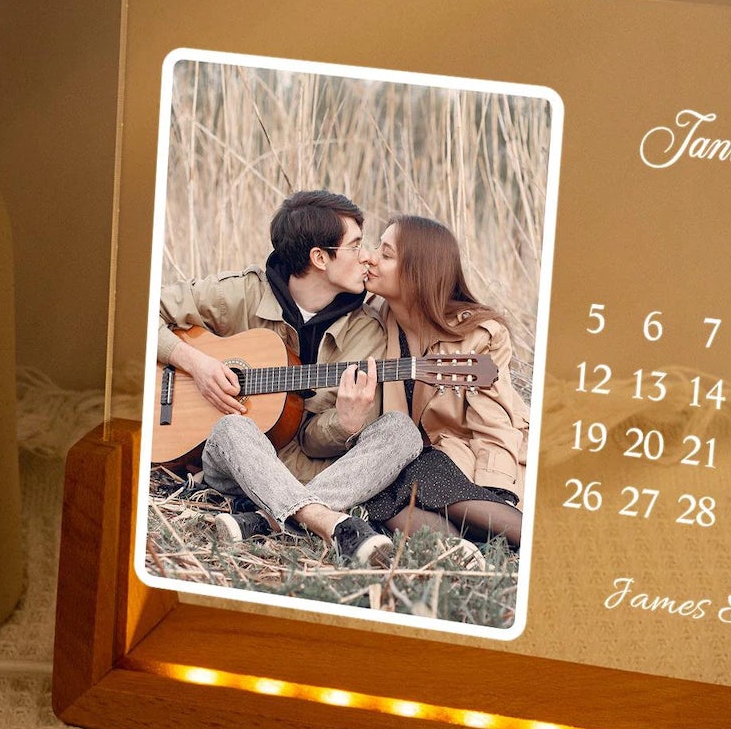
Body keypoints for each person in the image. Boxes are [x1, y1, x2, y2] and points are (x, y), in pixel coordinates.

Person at [156, 190, 422, 568]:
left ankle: (264, 520)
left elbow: (312, 439)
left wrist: (345, 425)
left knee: (402, 431)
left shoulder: (366, 332)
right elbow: (140, 310)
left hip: (310, 471)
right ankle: (329, 523)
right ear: (319, 258)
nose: (366, 256)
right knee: (232, 427)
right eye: (355, 246)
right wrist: (196, 364)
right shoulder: (243, 292)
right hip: (237, 461)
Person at [357, 216, 528, 559]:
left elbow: (494, 426)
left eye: (386, 254)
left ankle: (528, 536)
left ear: (418, 272)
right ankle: (460, 552)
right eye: (376, 248)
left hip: (470, 460)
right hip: (411, 462)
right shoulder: (373, 323)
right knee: (380, 488)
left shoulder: (481, 334)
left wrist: (497, 494)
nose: (369, 258)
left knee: (416, 472)